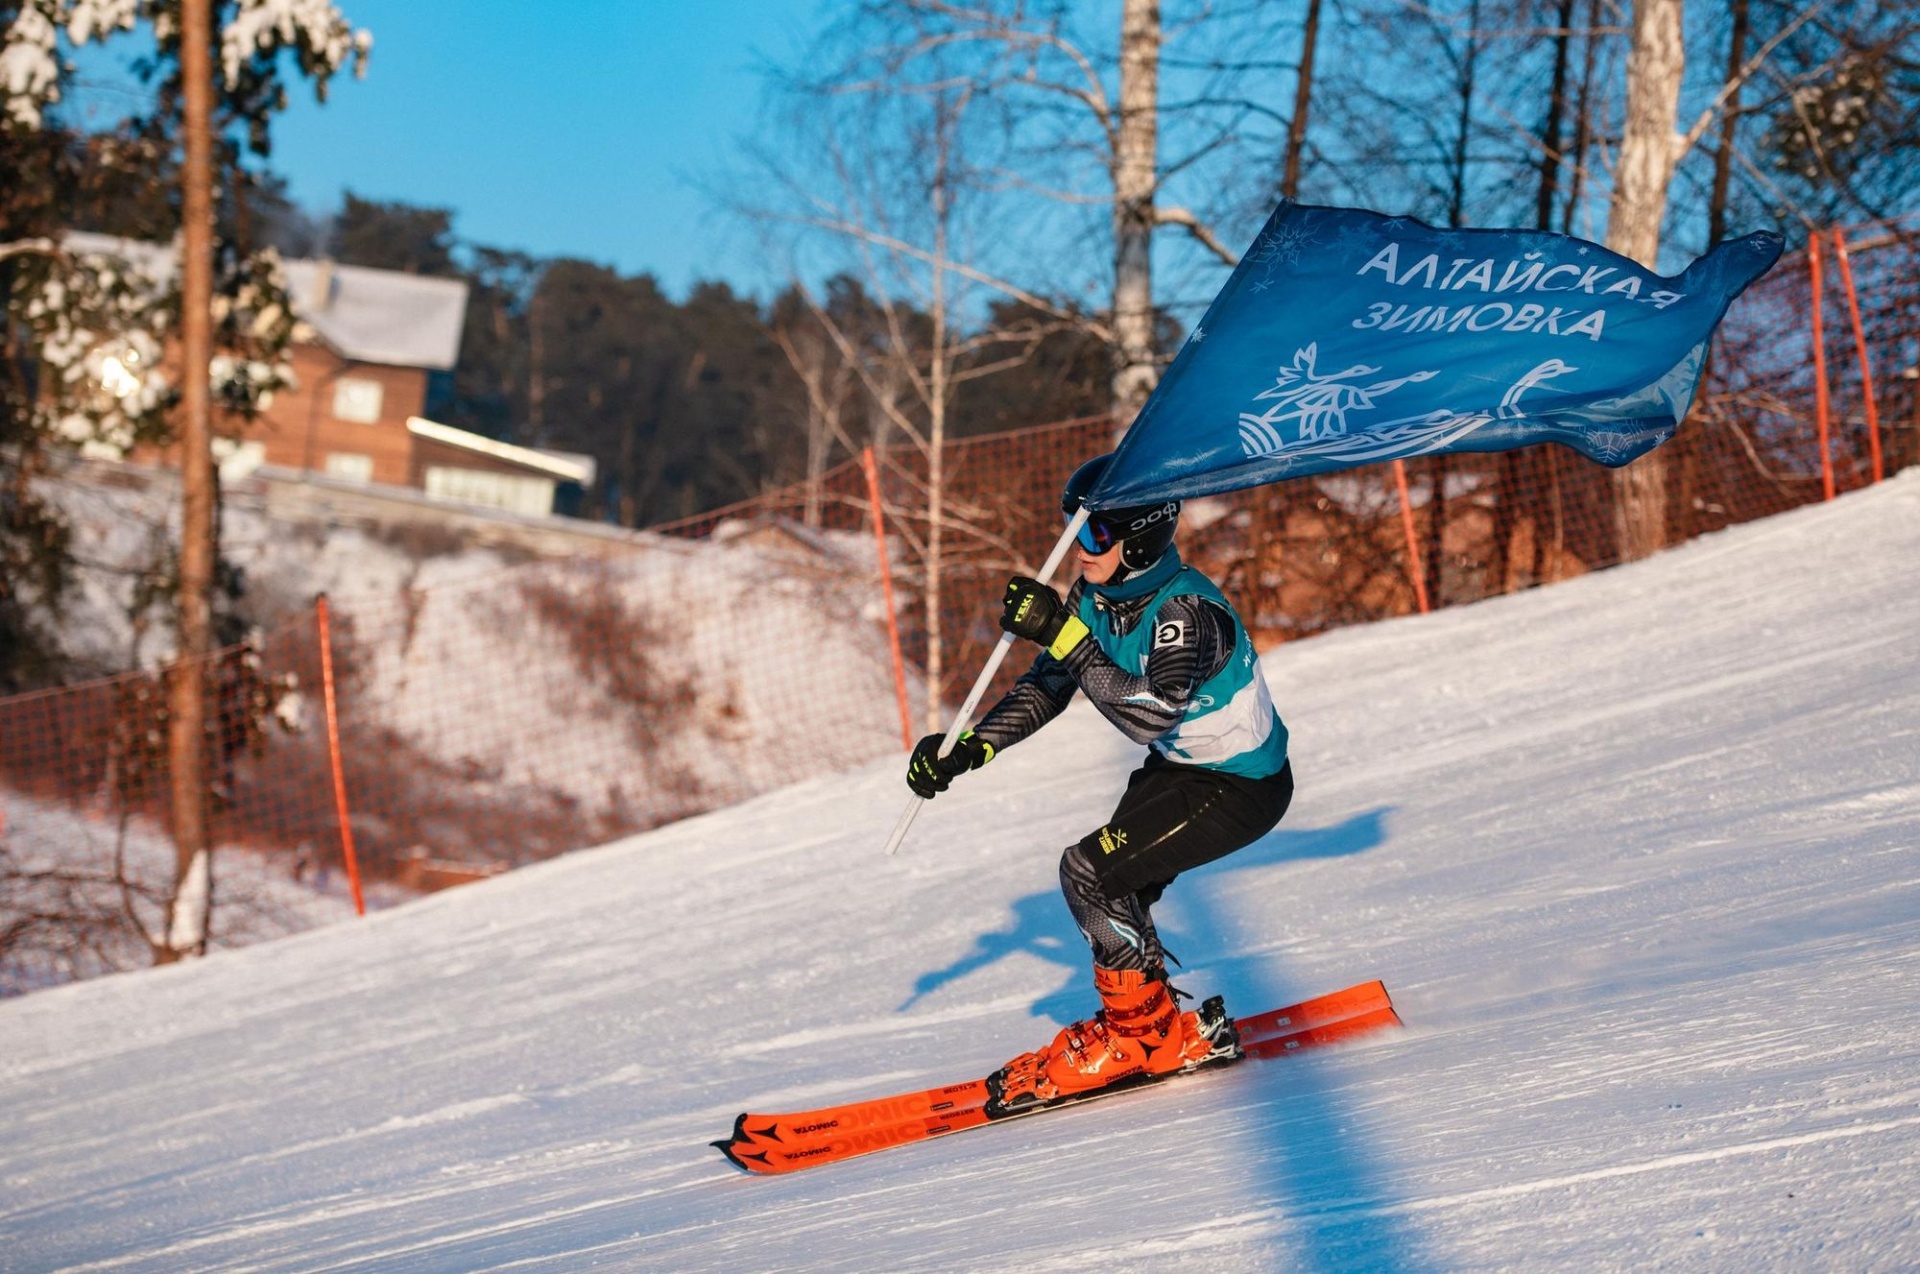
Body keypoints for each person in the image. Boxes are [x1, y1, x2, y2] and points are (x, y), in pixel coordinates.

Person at [905, 453, 1296, 1116]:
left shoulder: (1186, 613)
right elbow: (1050, 685)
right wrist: (969, 748)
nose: (1079, 547)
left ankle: (1139, 1040)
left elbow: (1148, 714)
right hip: (1183, 769)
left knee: (1088, 874)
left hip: (1240, 786)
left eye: (1094, 532)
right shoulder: (1097, 597)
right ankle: (1159, 1030)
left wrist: (1062, 634)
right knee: (1117, 887)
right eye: (1073, 528)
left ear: (1140, 539)